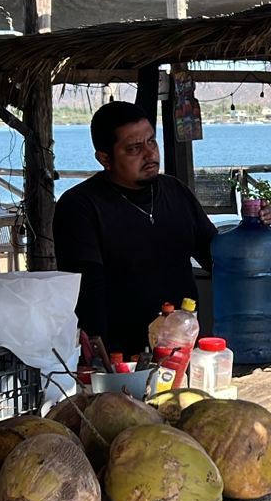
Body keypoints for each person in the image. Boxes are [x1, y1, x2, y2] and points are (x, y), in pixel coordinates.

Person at [53, 100, 217, 357]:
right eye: (134, 149)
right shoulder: (80, 206)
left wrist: (251, 237)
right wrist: (100, 361)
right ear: (105, 158)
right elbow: (87, 293)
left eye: (152, 141)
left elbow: (216, 255)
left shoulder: (175, 191)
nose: (150, 154)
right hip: (119, 356)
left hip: (181, 349)